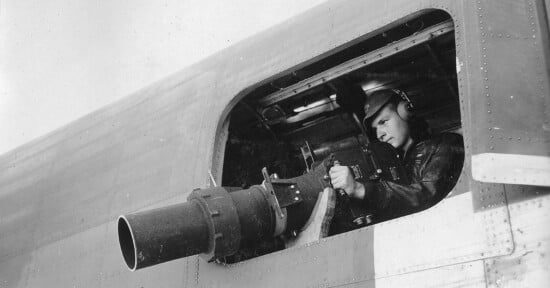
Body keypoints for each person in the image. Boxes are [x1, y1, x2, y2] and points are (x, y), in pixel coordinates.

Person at [329, 89, 464, 226]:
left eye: (383, 122)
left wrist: (360, 189)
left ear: (405, 112)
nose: (379, 134)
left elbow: (427, 195)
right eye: (375, 129)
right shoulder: (396, 163)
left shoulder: (447, 144)